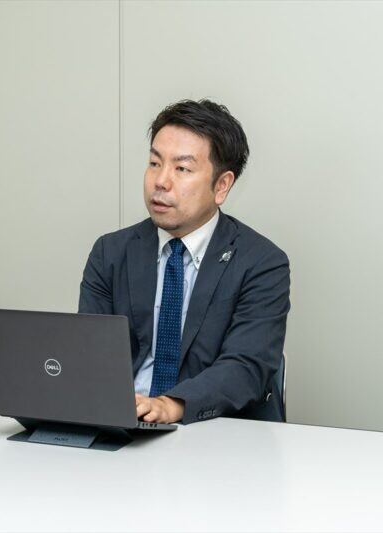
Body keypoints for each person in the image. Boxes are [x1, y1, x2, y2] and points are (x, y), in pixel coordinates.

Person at [78, 99, 290, 424]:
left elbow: (246, 367)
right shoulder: (111, 252)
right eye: (154, 163)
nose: (160, 181)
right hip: (125, 424)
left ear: (222, 185)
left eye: (182, 169)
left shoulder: (262, 263)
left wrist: (172, 405)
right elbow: (90, 354)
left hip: (218, 431)